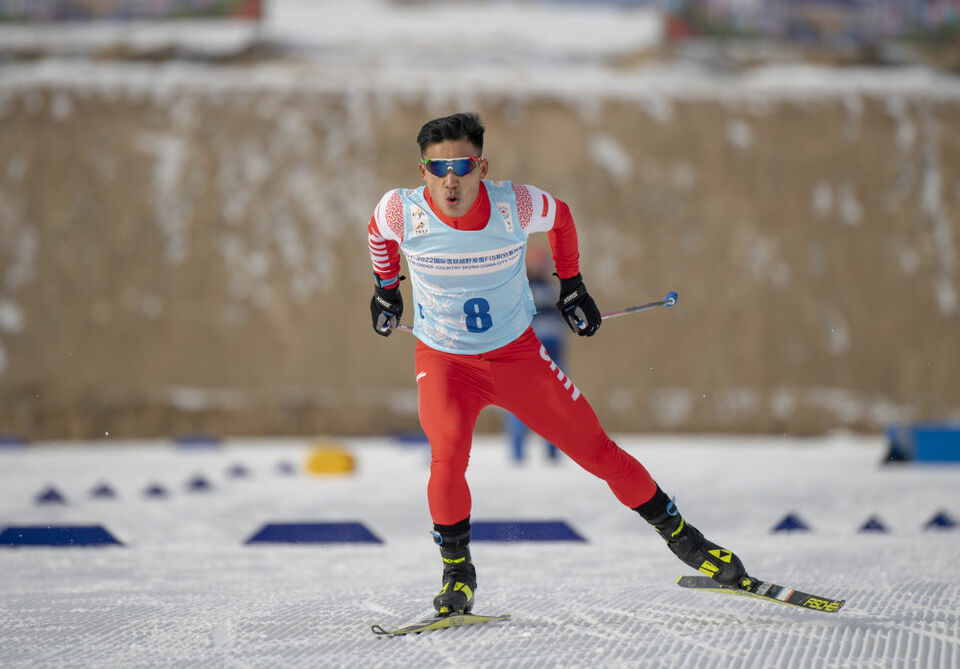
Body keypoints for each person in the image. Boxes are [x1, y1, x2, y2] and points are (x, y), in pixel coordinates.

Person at [367, 112, 748, 617]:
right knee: (447, 455)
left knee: (597, 452)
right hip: (445, 361)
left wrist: (573, 285)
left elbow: (562, 216)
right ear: (422, 173)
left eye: (462, 165)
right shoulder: (400, 211)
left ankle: (689, 543)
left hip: (517, 358)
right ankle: (457, 573)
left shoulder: (514, 205)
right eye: (438, 169)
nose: (450, 180)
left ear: (483, 166)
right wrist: (386, 291)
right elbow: (378, 236)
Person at [503, 244, 565, 462]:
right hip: (528, 353)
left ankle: (552, 451)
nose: (542, 267)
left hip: (554, 351)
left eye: (544, 263)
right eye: (538, 262)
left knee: (555, 403)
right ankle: (517, 451)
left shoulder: (550, 287)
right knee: (520, 403)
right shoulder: (522, 285)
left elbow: (557, 316)